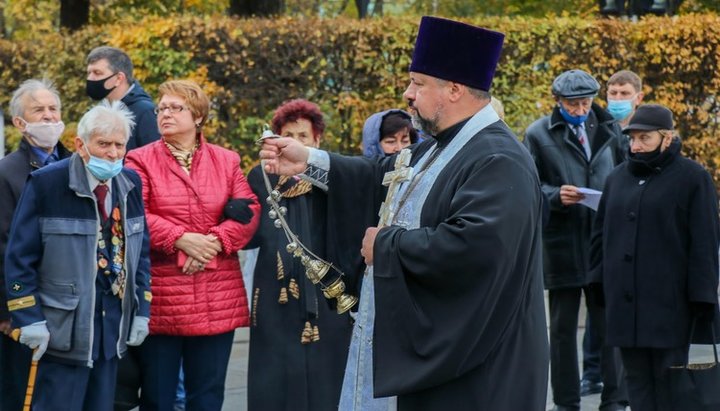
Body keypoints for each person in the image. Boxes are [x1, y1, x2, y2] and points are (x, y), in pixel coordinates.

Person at [260, 16, 549, 410]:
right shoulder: (438, 146)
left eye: (418, 82)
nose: (408, 93)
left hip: (476, 370)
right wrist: (306, 159)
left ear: (454, 89)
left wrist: (387, 245)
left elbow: (479, 247)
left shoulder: (498, 158)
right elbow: (377, 176)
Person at [4, 100, 151, 411]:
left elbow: (140, 252)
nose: (113, 153)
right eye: (104, 144)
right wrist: (28, 317)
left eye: (119, 145)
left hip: (110, 330)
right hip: (61, 329)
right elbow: (20, 257)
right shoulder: (47, 182)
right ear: (80, 145)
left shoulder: (130, 183)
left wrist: (141, 308)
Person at [124, 79, 259, 411]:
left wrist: (212, 243)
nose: (165, 114)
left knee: (209, 395)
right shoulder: (138, 160)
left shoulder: (226, 161)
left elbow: (250, 210)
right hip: (163, 297)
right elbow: (135, 214)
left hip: (217, 294)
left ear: (198, 116)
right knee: (157, 396)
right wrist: (181, 240)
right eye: (162, 108)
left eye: (175, 107)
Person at [590, 104, 720, 411]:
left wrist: (703, 300)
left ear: (667, 137)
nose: (636, 145)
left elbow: (704, 242)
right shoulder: (617, 178)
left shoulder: (693, 177)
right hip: (627, 311)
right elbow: (600, 236)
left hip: (672, 311)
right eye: (632, 138)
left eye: (644, 138)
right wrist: (597, 280)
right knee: (638, 390)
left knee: (675, 392)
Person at [523, 69, 628, 411]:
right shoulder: (537, 133)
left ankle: (615, 399)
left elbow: (626, 172)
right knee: (564, 330)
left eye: (585, 103)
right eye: (573, 104)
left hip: (602, 241)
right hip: (562, 244)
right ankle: (566, 402)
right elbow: (529, 186)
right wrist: (555, 196)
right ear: (558, 101)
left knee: (609, 324)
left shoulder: (610, 128)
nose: (581, 110)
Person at [245, 99, 358, 411]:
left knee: (326, 376)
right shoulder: (261, 177)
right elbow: (250, 234)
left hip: (326, 288)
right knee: (274, 376)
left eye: (302, 136)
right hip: (274, 291)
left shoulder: (333, 178)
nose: (294, 142)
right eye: (287, 135)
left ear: (316, 141)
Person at [0, 79, 72, 411]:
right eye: (38, 110)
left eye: (53, 109)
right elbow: (4, 246)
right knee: (22, 396)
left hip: (70, 306)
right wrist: (6, 310)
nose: (48, 116)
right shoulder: (7, 173)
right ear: (20, 122)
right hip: (24, 307)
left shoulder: (76, 166)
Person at [86, 46, 160, 151]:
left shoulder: (145, 112)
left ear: (119, 78)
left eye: (97, 73)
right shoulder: (96, 112)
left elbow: (153, 158)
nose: (90, 78)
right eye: (89, 73)